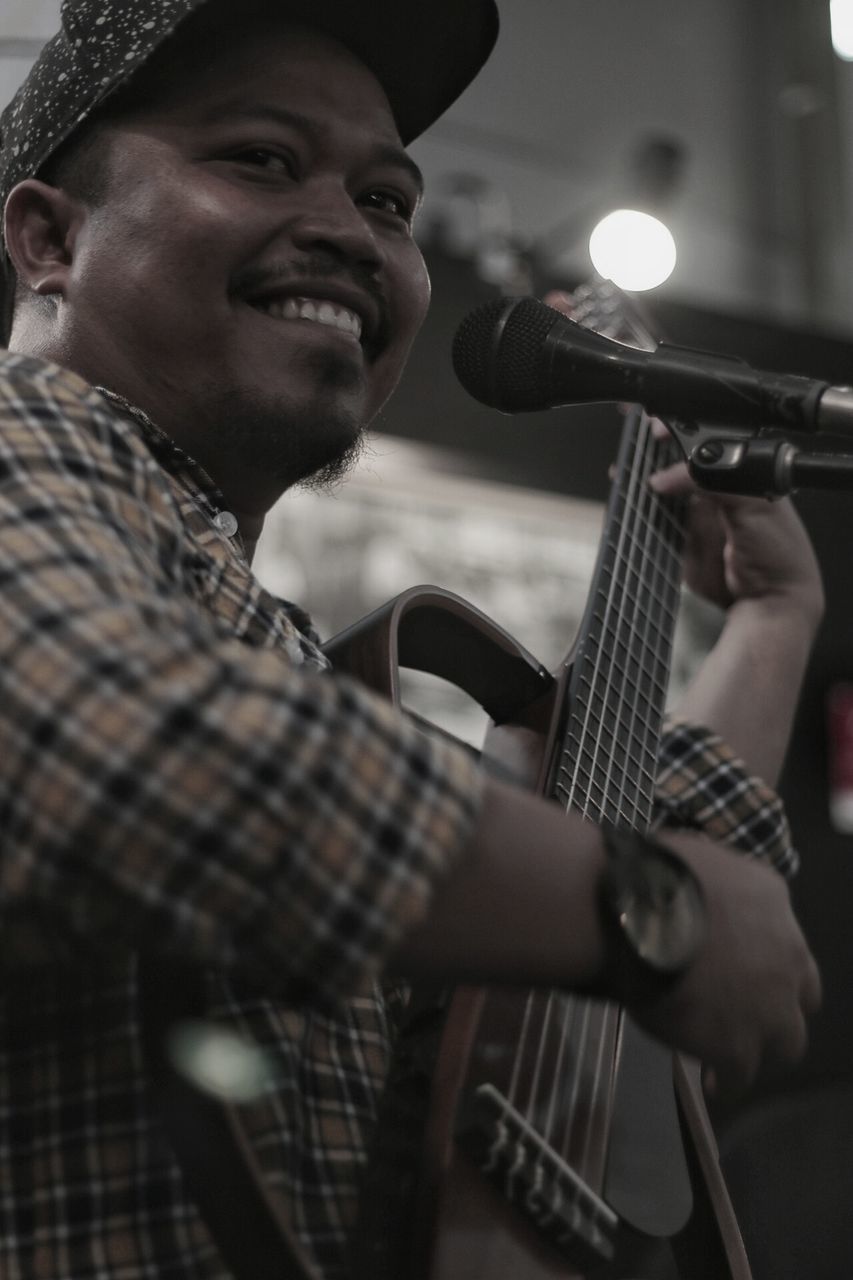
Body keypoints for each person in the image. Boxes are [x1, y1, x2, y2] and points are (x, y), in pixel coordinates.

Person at [0, 1, 823, 1277]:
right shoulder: (23, 441)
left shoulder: (255, 638)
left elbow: (623, 930)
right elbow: (101, 746)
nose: (346, 229)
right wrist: (648, 911)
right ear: (49, 234)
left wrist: (773, 620)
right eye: (261, 159)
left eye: (388, 200)